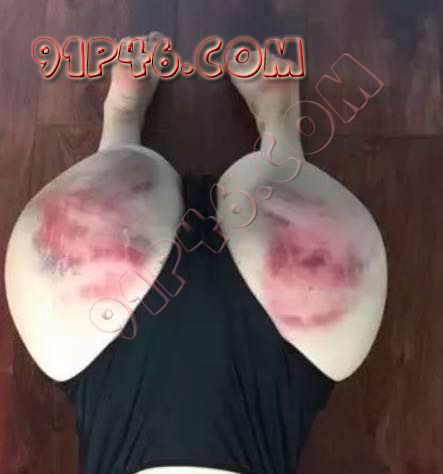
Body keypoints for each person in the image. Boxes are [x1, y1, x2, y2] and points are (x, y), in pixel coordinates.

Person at [4, 32, 388, 474]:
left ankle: (277, 130)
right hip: (105, 300)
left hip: (288, 302)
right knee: (72, 299)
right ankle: (124, 127)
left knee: (284, 191)